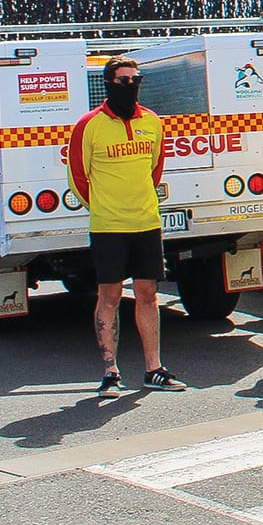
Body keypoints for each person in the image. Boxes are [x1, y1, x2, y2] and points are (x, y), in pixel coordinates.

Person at [69, 57, 182, 393]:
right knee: (110, 295)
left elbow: (155, 167)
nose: (130, 85)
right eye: (123, 80)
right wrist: (102, 205)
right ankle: (110, 372)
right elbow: (78, 176)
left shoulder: (152, 122)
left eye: (136, 79)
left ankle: (153, 369)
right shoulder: (89, 125)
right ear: (108, 83)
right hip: (108, 227)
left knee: (148, 293)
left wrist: (139, 199)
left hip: (146, 222)